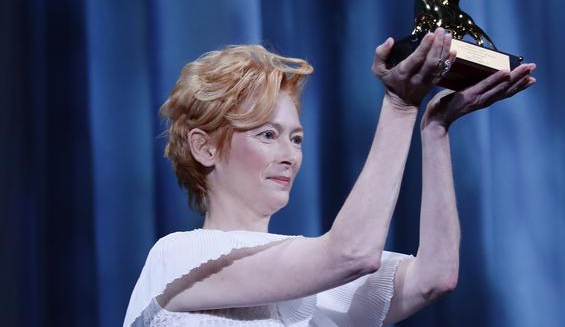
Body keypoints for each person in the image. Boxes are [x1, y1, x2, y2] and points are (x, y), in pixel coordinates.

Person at [123, 27, 536, 326]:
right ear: (204, 147)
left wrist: (435, 130)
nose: (289, 155)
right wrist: (398, 106)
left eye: (297, 138)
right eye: (267, 134)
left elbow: (434, 277)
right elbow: (351, 254)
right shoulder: (174, 258)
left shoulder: (310, 274)